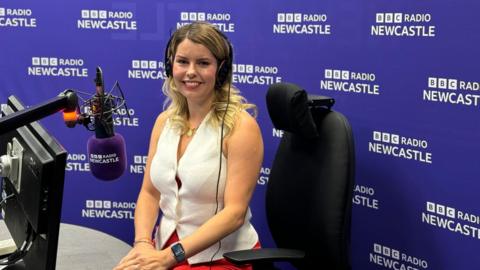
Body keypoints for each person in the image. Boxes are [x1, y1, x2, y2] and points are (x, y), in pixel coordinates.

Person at [114, 22, 264, 270]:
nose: (190, 71)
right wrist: (142, 243)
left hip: (221, 258)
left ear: (222, 70)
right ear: (170, 65)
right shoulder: (164, 122)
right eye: (182, 62)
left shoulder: (241, 127)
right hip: (165, 247)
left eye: (203, 63)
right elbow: (149, 193)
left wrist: (169, 257)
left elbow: (235, 213)